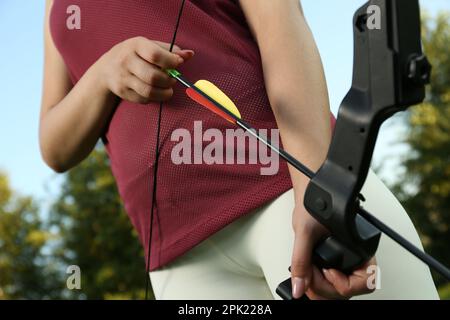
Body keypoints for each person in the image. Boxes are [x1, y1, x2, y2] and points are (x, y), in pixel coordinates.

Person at [40, 0, 438, 299]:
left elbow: (279, 24)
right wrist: (102, 74)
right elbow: (54, 147)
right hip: (180, 262)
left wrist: (318, 195)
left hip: (290, 196)